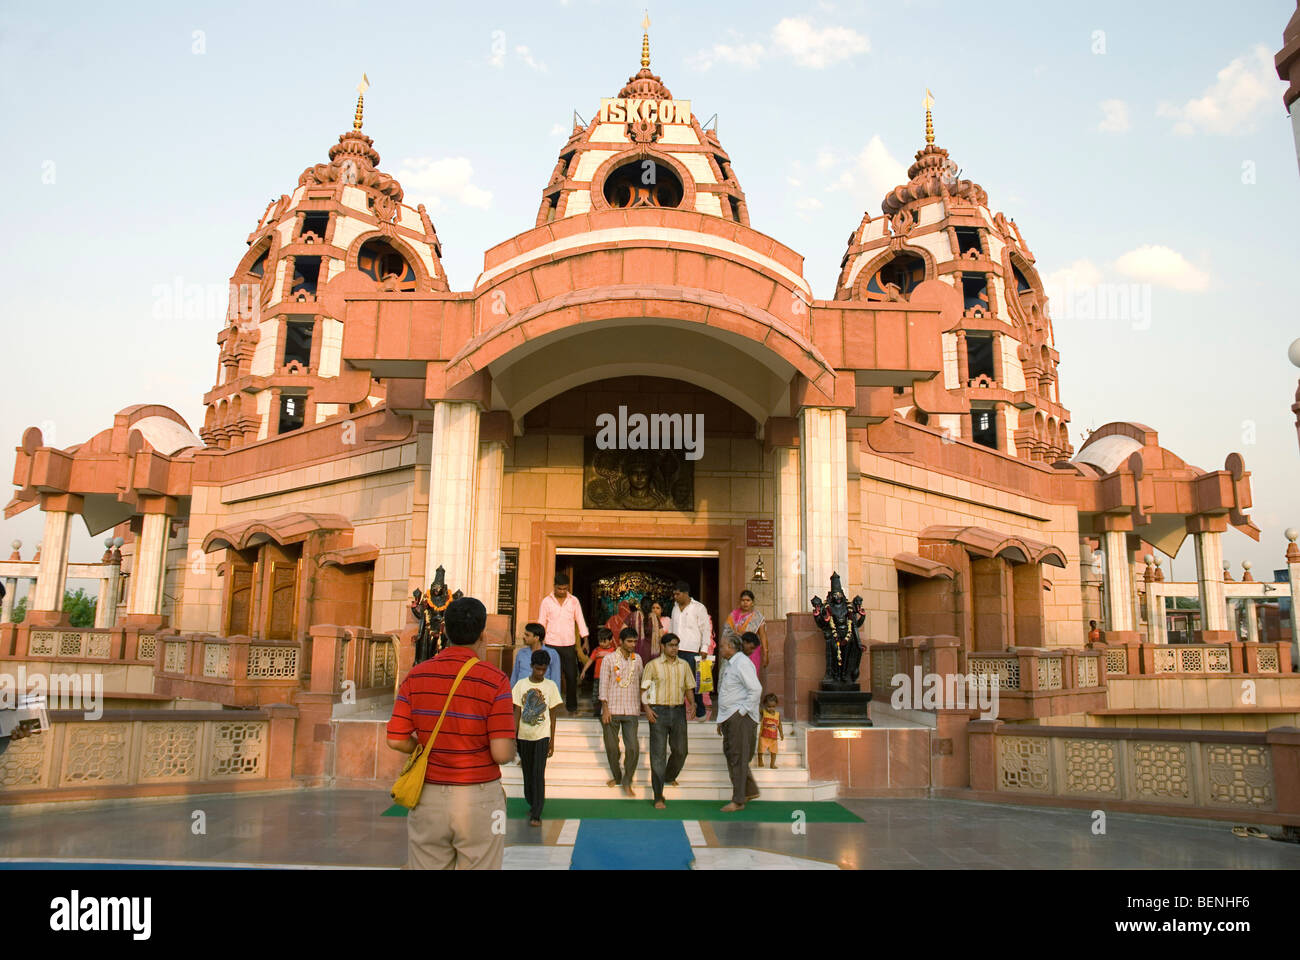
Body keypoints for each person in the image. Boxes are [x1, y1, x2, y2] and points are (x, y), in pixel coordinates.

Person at [386, 596, 515, 870]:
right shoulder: (496, 680)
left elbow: (396, 738)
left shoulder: (417, 676)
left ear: (443, 631)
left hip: (428, 796)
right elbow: (501, 753)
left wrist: (421, 749)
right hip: (479, 797)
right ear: (483, 635)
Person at [641, 632, 696, 809]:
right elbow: (644, 690)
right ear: (662, 646)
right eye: (671, 645)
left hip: (678, 711)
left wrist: (692, 704)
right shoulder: (652, 665)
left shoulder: (684, 665)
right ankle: (658, 796)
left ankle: (669, 776)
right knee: (658, 755)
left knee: (681, 750)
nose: (674, 648)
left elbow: (689, 687)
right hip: (658, 712)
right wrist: (647, 709)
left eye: (676, 645)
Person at [513, 649, 563, 827]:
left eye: (544, 669)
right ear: (531, 666)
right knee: (527, 773)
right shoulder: (520, 685)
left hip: (542, 736)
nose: (540, 673)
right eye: (538, 669)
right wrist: (513, 735)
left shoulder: (550, 686)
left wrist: (552, 740)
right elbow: (517, 711)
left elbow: (553, 714)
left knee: (538, 773)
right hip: (524, 736)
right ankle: (532, 802)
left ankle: (536, 813)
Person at [716, 632, 762, 813]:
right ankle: (749, 790)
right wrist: (721, 719)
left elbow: (756, 690)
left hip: (740, 717)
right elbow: (728, 692)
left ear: (731, 647)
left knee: (737, 757)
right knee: (732, 755)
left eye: (722, 646)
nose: (720, 649)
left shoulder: (742, 663)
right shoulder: (730, 664)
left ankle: (738, 800)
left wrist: (741, 712)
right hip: (730, 716)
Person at [600, 627, 644, 797]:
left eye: (635, 641)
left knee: (633, 748)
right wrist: (605, 709)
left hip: (632, 709)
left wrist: (645, 705)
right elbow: (603, 684)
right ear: (620, 642)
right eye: (629, 641)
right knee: (612, 748)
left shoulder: (638, 660)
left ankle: (627, 780)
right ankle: (617, 777)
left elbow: (641, 682)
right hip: (612, 709)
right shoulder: (609, 659)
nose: (633, 645)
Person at [538, 573, 590, 714]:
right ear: (554, 587)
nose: (562, 591)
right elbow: (542, 622)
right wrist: (539, 644)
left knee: (571, 676)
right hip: (550, 644)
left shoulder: (574, 601)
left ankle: (571, 707)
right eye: (560, 588)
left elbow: (580, 620)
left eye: (565, 589)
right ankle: (547, 706)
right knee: (548, 676)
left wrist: (585, 640)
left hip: (568, 645)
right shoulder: (546, 602)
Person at [670, 581, 710, 720]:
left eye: (678, 594)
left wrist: (704, 648)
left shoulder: (698, 608)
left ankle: (700, 712)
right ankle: (678, 713)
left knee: (694, 683)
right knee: (676, 682)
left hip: (692, 650)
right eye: (674, 594)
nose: (675, 596)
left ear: (686, 593)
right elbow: (671, 629)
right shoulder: (674, 608)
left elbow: (706, 629)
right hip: (675, 650)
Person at [723, 590, 768, 679]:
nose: (745, 603)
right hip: (735, 650)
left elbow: (763, 636)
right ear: (740, 602)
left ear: (752, 602)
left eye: (748, 600)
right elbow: (726, 633)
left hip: (752, 651)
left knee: (749, 677)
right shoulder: (733, 616)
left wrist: (766, 654)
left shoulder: (757, 617)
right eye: (743, 600)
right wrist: (736, 634)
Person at [578, 627, 616, 716]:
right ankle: (597, 712)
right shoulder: (597, 650)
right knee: (596, 695)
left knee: (608, 695)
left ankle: (608, 712)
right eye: (600, 641)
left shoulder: (614, 651)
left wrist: (606, 654)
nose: (601, 644)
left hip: (609, 678)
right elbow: (590, 661)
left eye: (604, 641)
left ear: (610, 640)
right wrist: (583, 671)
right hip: (597, 677)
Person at [510, 622, 560, 687]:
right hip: (522, 692)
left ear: (536, 638)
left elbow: (556, 679)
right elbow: (514, 676)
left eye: (527, 635)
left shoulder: (552, 654)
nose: (524, 637)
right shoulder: (521, 653)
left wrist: (555, 696)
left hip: (542, 693)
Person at [756, 693, 784, 769]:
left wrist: (781, 733)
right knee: (761, 750)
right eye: (769, 706)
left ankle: (772, 764)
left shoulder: (777, 714)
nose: (771, 708)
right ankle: (760, 760)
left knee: (774, 752)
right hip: (763, 737)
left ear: (776, 705)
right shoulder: (763, 712)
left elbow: (779, 724)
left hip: (773, 738)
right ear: (765, 705)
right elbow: (757, 708)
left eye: (773, 707)